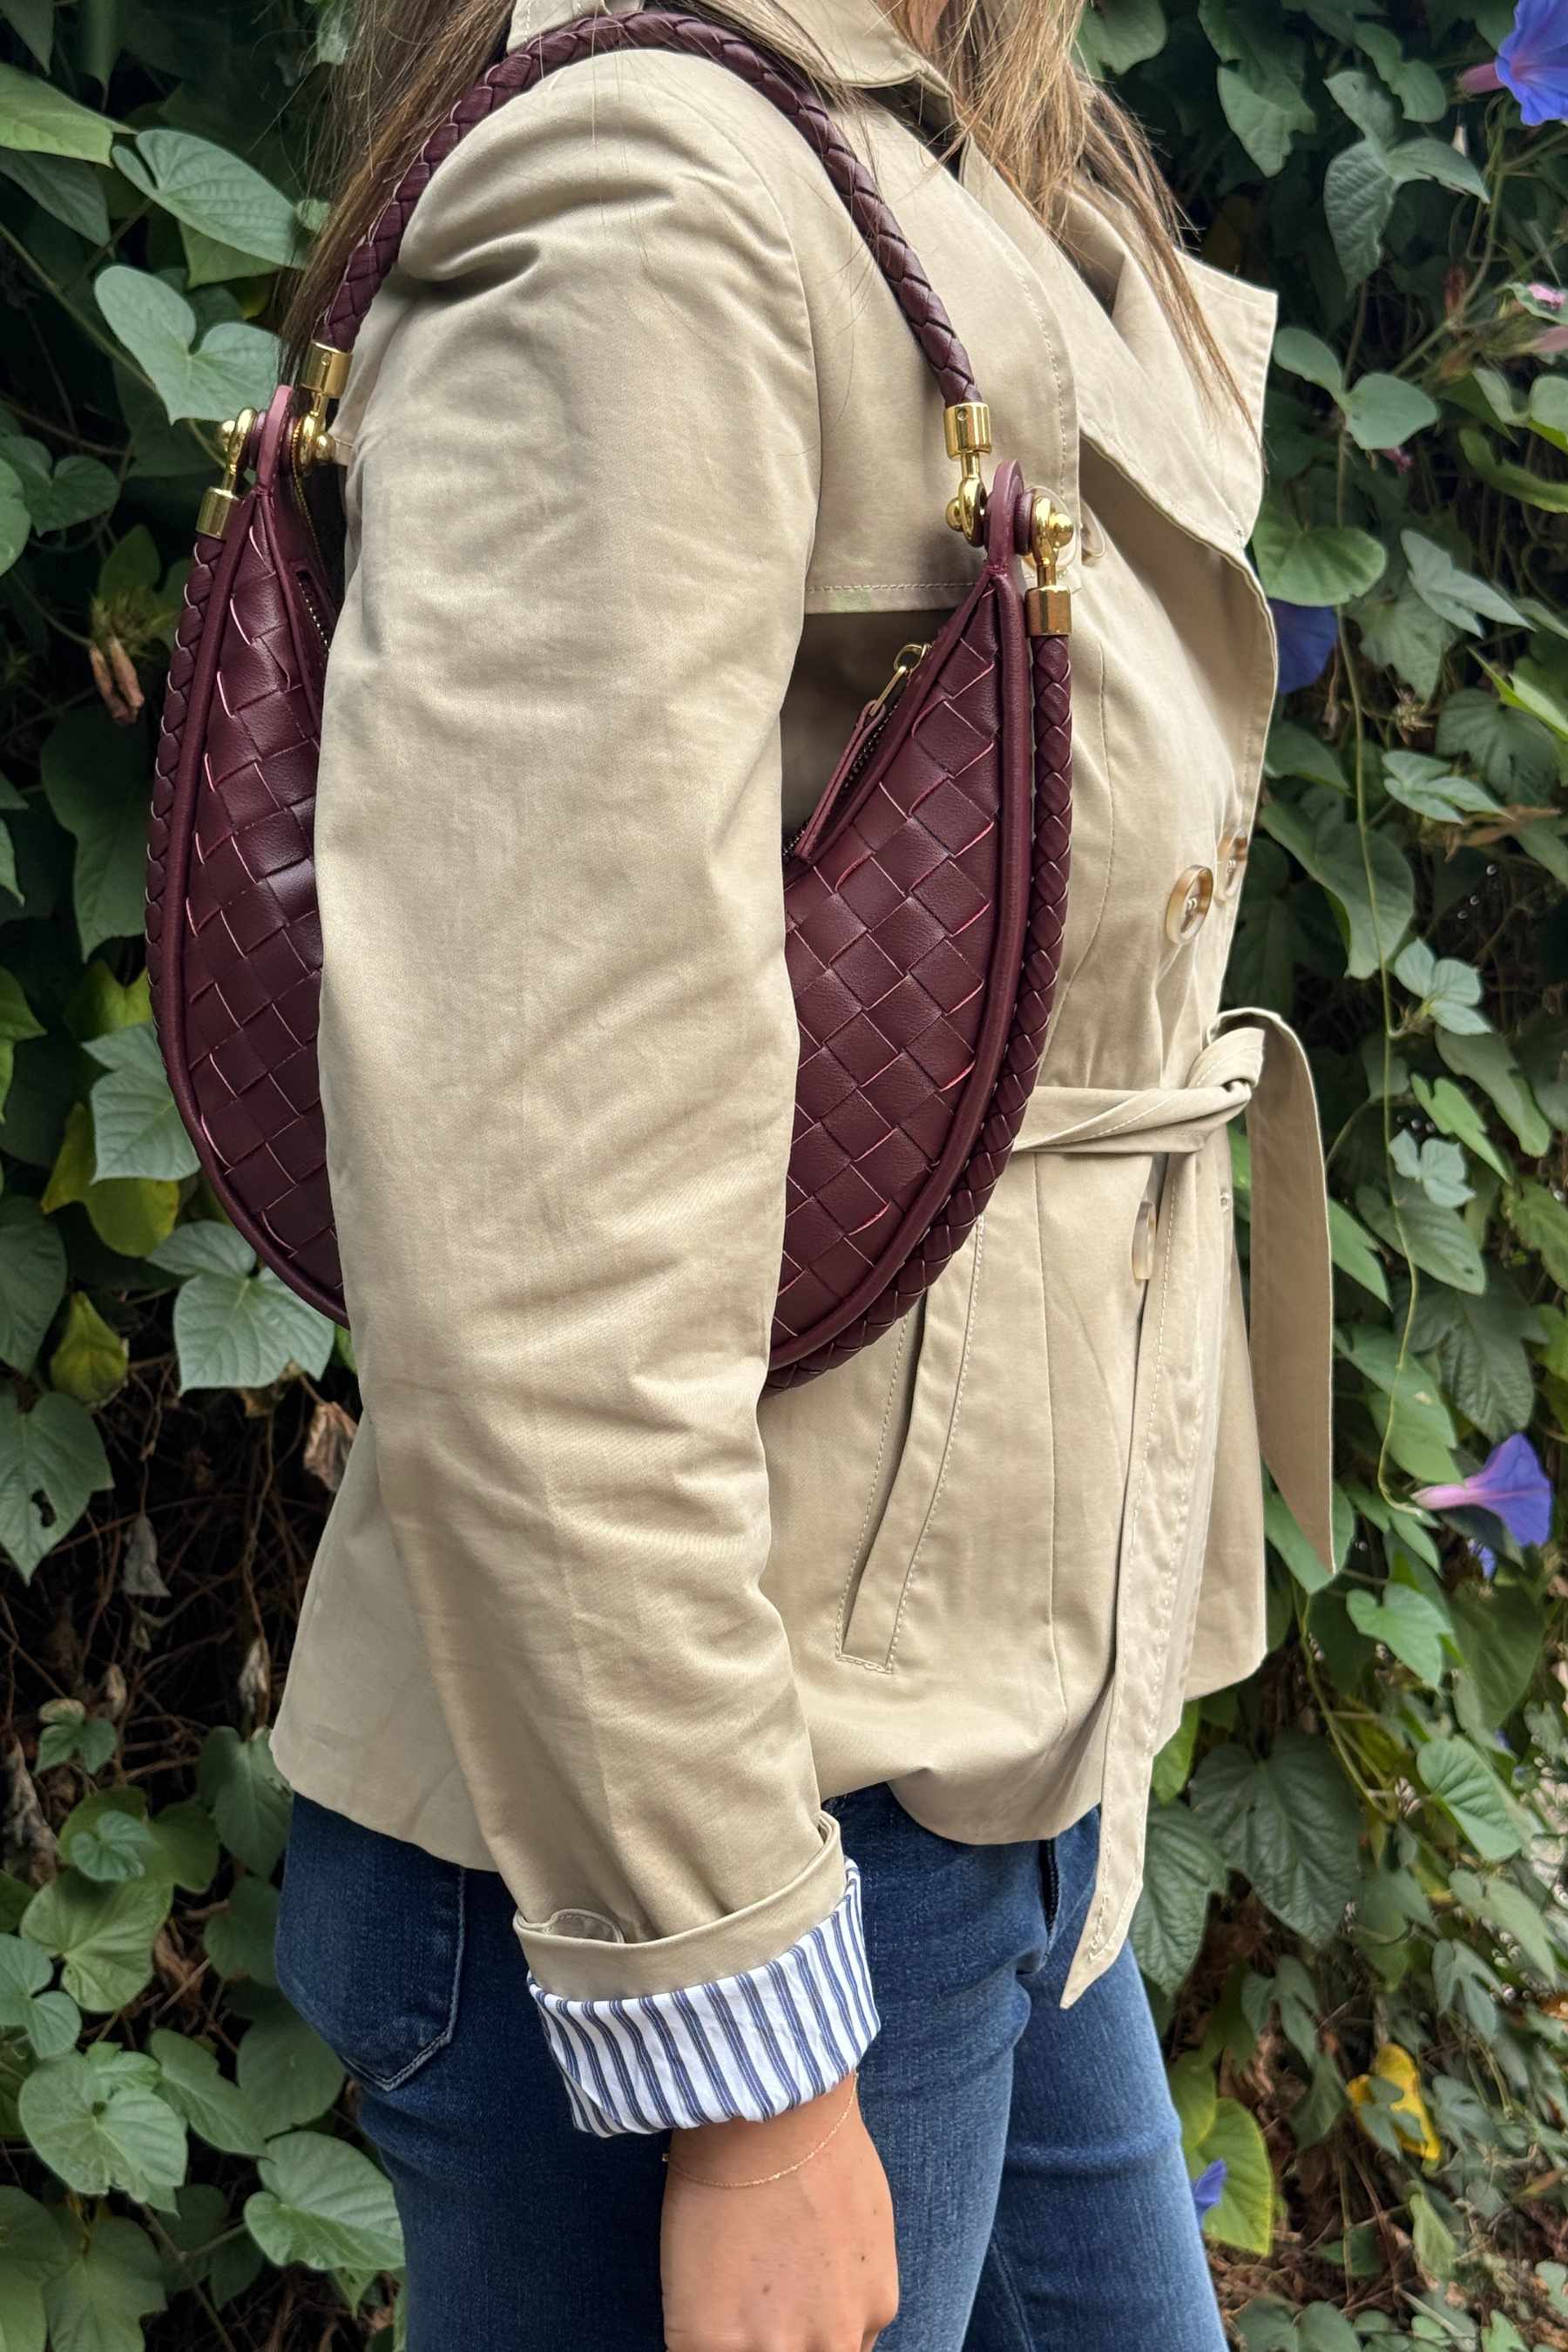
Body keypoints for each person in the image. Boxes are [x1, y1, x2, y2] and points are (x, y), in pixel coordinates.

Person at [267, 0, 1335, 2345]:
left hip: (975, 1759)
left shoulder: (947, 156)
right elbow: (530, 1231)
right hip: (707, 1840)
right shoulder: (654, 208)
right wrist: (741, 2048)